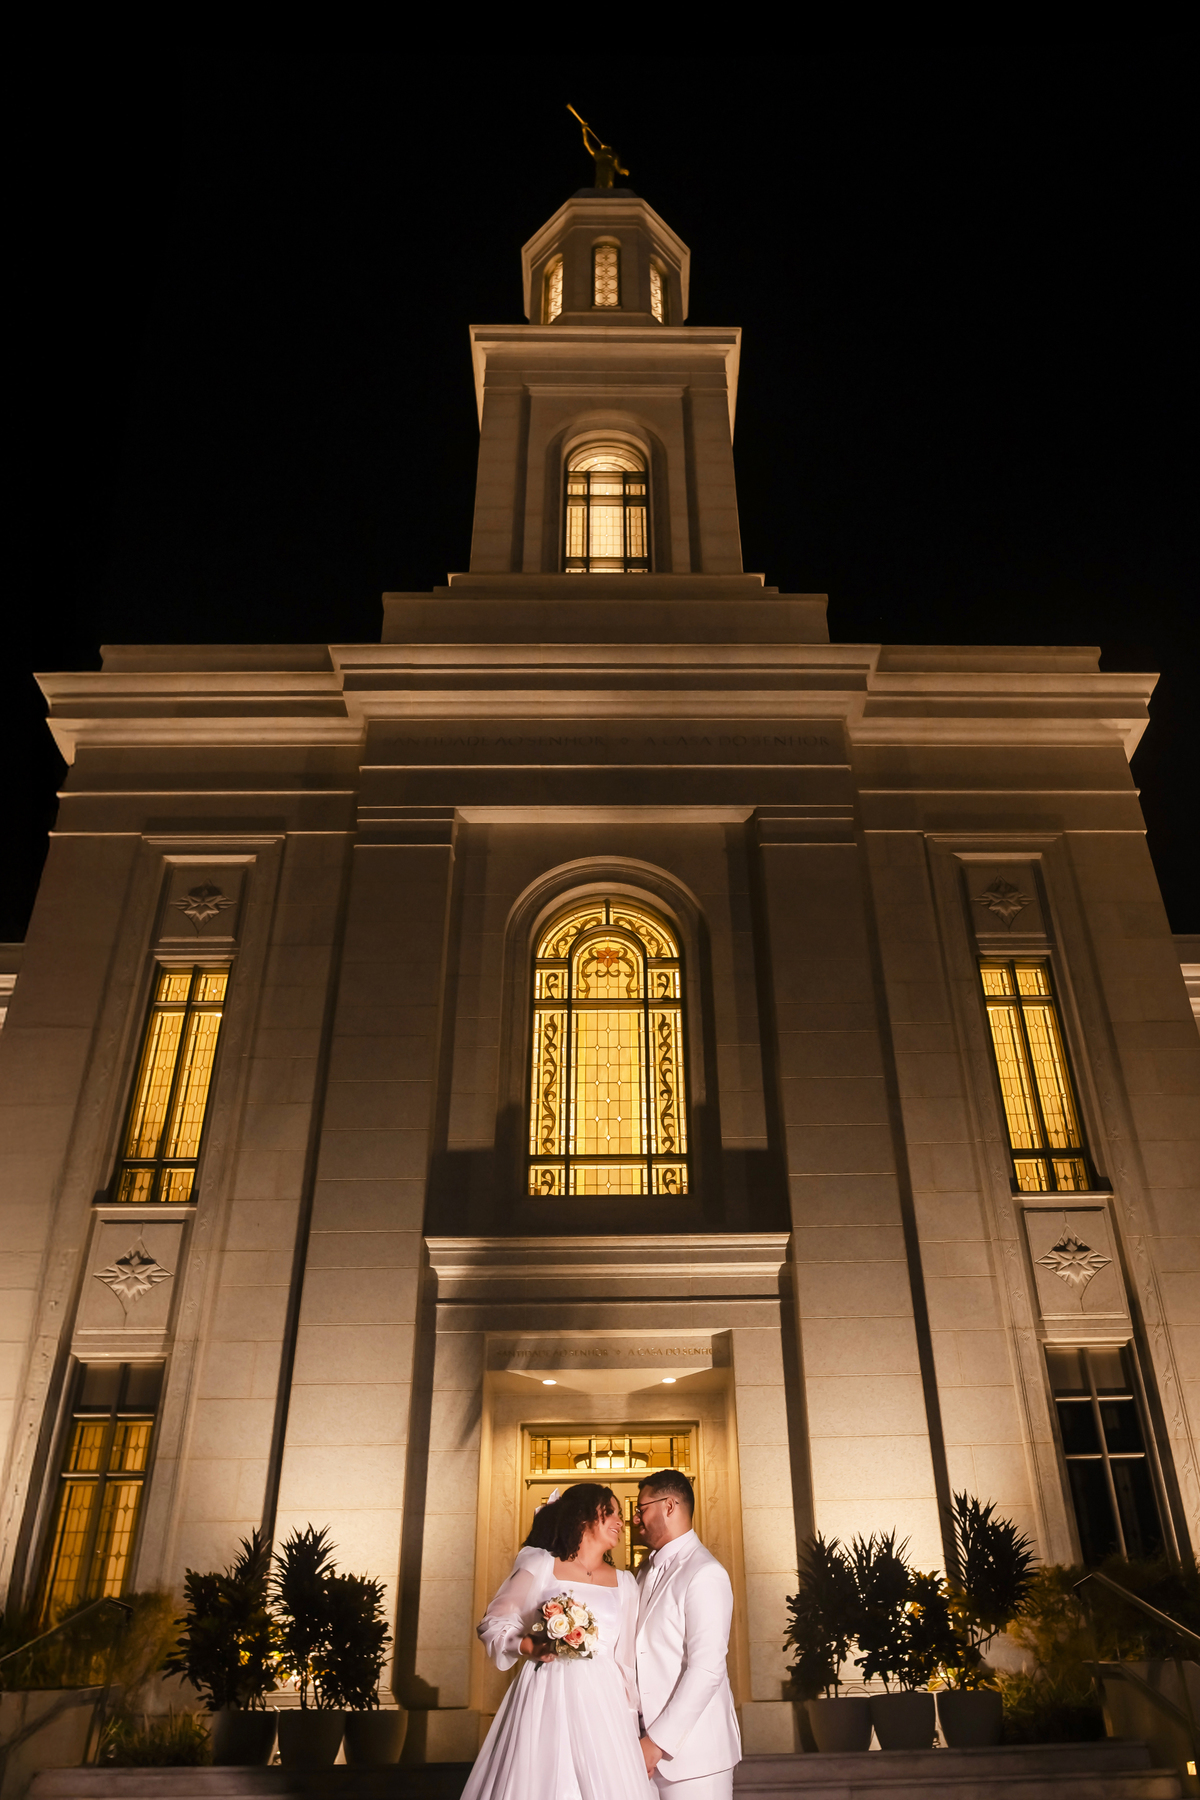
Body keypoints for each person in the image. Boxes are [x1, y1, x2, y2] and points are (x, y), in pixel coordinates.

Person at [463, 1482, 652, 1800]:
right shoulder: (540, 1565)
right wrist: (529, 1646)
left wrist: (633, 1727)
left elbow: (626, 1663)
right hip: (546, 1694)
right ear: (583, 1517)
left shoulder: (626, 1583)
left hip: (604, 1704)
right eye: (612, 1512)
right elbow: (493, 1623)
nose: (621, 1521)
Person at [633, 1470, 741, 1800]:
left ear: (669, 1505)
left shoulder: (706, 1572)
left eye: (642, 1509)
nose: (635, 1519)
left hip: (695, 1757)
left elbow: (707, 1669)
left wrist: (656, 1743)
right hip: (638, 1751)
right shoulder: (642, 1571)